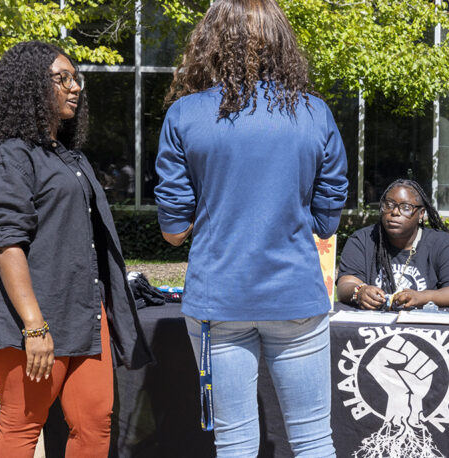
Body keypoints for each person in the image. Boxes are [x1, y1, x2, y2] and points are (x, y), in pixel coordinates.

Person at [155, 1, 347, 455]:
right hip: (295, 295)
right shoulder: (315, 113)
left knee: (235, 442)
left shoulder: (184, 116)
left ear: (211, 43)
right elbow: (327, 216)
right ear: (282, 42)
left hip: (218, 299)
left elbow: (174, 230)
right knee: (314, 440)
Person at [0, 41, 152, 457]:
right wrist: (35, 327)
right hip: (29, 321)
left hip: (81, 310)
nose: (74, 87)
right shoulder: (9, 159)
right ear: (29, 88)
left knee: (95, 424)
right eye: (62, 79)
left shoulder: (68, 157)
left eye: (75, 78)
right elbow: (6, 245)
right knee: (22, 428)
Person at [337, 179, 449, 310]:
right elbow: (346, 284)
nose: (394, 212)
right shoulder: (362, 240)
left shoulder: (443, 243)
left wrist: (422, 297)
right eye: (388, 205)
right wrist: (359, 292)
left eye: (406, 208)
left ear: (421, 214)